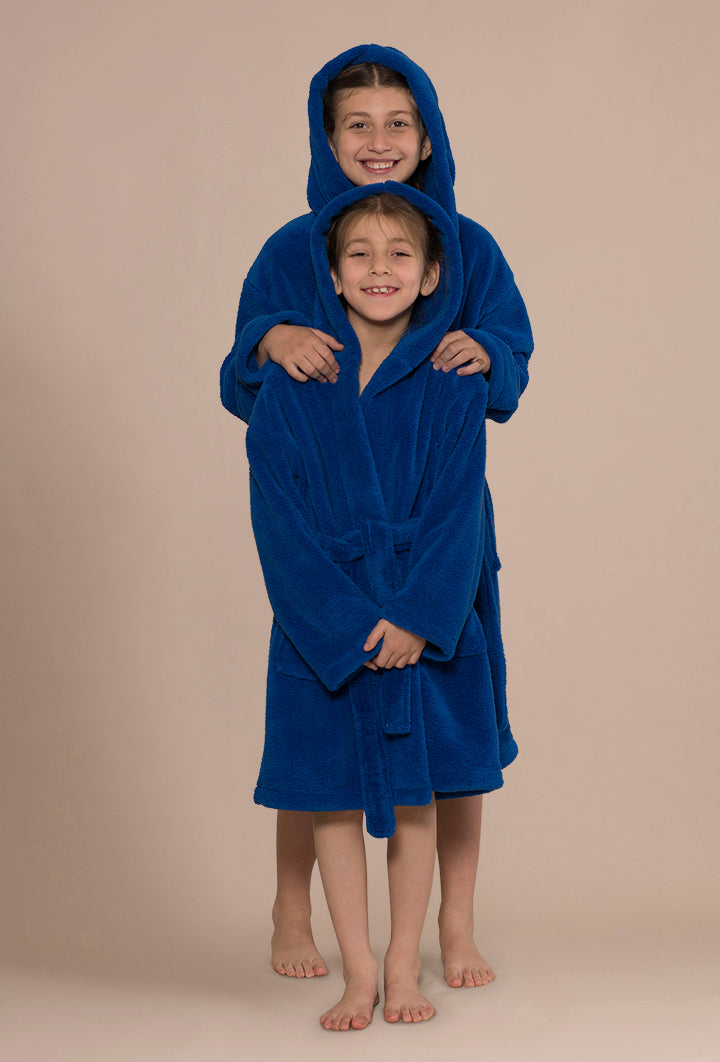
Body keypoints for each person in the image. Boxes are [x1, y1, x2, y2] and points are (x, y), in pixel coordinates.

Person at [222, 44, 533, 990]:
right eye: (356, 124)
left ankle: (454, 927)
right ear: (327, 140)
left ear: (427, 137)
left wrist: (487, 352)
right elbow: (247, 381)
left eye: (399, 122)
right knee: (317, 738)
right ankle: (294, 906)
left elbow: (512, 351)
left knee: (453, 735)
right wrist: (270, 337)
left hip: (437, 529)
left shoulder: (467, 245)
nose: (378, 140)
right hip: (333, 536)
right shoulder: (292, 248)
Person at [246, 186, 502, 1029]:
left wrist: (422, 616)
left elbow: (458, 509)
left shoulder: (453, 383)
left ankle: (403, 965)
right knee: (332, 792)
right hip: (325, 625)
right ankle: (358, 969)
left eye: (400, 255)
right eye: (359, 254)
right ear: (331, 274)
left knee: (422, 791)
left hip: (422, 620)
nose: (379, 268)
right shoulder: (291, 386)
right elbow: (278, 520)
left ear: (431, 276)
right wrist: (344, 626)